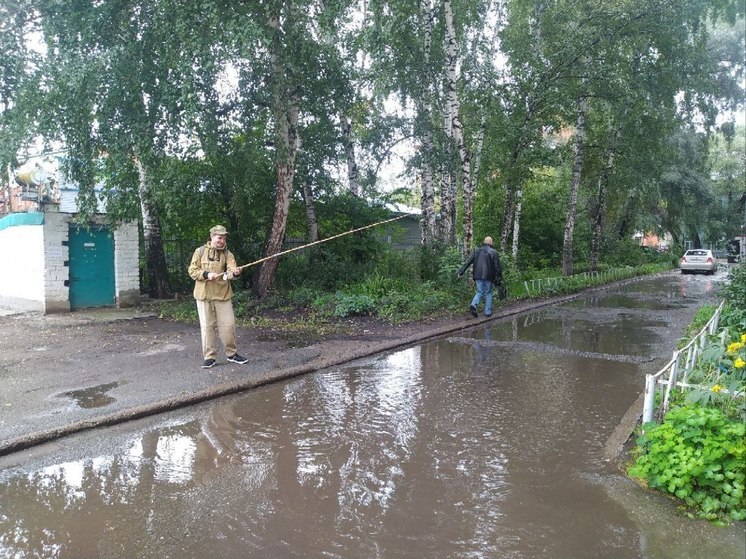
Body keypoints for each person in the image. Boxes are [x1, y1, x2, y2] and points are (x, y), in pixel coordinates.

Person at [188, 225, 249, 369]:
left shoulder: (228, 254)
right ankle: (210, 357)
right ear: (212, 237)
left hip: (223, 295)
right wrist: (207, 275)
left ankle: (232, 354)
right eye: (219, 237)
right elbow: (192, 270)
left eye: (224, 238)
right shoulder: (200, 251)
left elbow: (229, 273)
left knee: (228, 325)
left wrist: (235, 273)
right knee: (207, 327)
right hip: (204, 296)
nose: (222, 241)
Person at [457, 236, 505, 318]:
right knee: (488, 293)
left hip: (477, 275)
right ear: (490, 242)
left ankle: (473, 304)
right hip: (489, 276)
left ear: (484, 242)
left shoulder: (476, 251)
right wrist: (499, 278)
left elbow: (468, 262)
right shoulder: (494, 252)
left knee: (479, 291)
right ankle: (487, 312)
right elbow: (497, 267)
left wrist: (461, 272)